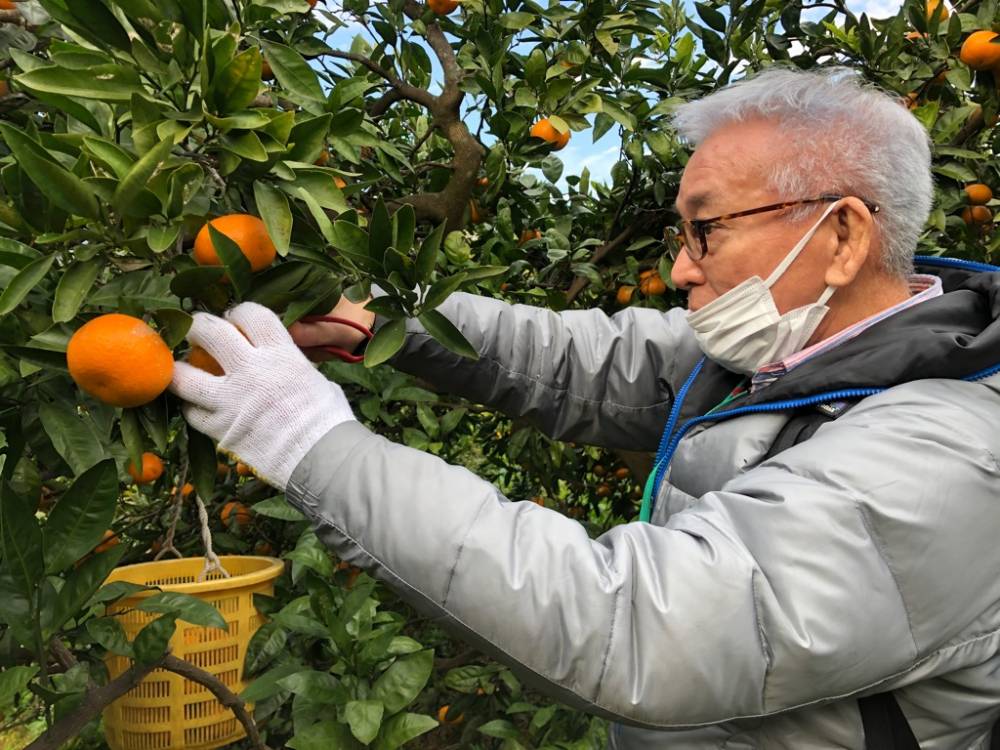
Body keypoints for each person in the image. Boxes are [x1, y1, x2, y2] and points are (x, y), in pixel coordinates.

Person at [169, 67, 1000, 749]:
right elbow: (576, 360)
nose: (681, 269)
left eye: (705, 230)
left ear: (843, 237)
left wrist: (307, 439)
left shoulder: (945, 458)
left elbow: (635, 626)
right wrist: (381, 323)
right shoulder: (781, 351)